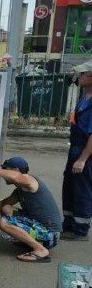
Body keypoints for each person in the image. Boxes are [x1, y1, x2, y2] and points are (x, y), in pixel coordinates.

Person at [0, 157, 62, 263]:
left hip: (50, 235)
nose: (3, 173)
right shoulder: (19, 191)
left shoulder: (31, 181)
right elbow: (0, 205)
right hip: (40, 227)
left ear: (16, 170)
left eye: (6, 169)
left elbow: (16, 177)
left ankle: (40, 250)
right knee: (6, 207)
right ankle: (26, 240)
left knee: (4, 222)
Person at [62, 60, 92, 241]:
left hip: (84, 151)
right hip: (75, 147)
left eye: (83, 74)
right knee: (70, 186)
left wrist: (82, 159)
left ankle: (80, 229)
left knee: (82, 189)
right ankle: (69, 223)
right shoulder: (85, 95)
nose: (79, 76)